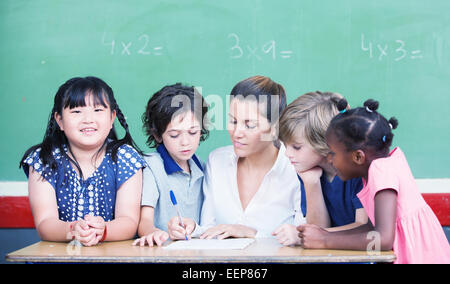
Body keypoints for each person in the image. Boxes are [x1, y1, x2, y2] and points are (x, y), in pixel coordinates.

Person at [298, 99, 450, 264]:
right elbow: (372, 229)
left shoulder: (381, 171)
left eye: (333, 153)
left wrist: (324, 241)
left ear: (358, 156)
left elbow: (383, 240)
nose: (329, 159)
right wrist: (324, 234)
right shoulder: (375, 172)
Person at [168, 75, 304, 240]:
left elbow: (301, 236)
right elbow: (210, 229)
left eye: (249, 125)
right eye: (233, 121)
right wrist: (192, 229)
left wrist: (252, 233)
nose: (237, 133)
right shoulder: (217, 161)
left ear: (275, 127)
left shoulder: (294, 167)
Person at [20, 76, 144, 246]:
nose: (88, 119)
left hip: (113, 255)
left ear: (112, 118)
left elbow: (129, 221)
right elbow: (45, 223)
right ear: (60, 120)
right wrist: (72, 229)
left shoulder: (126, 158)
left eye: (98, 110)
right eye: (77, 111)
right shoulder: (43, 159)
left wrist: (103, 230)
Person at [274, 91, 367, 246]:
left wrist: (301, 235)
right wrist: (312, 183)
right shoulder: (308, 168)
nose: (287, 154)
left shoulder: (359, 169)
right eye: (285, 145)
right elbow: (320, 228)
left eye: (296, 147)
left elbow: (363, 228)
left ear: (325, 144)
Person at [133, 83, 209, 246]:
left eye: (193, 132)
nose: (185, 142)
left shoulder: (202, 167)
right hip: (161, 252)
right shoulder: (151, 166)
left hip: (196, 253)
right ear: (157, 135)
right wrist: (153, 233)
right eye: (174, 135)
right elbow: (144, 221)